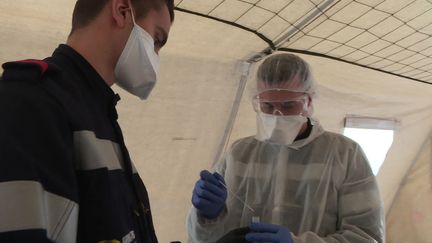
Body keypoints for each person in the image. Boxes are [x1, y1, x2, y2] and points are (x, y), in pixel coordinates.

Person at [0, 0, 174, 242]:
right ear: (122, 11)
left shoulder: (97, 113)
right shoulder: (32, 102)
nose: (155, 57)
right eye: (156, 39)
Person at [187, 53, 385, 243]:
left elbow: (366, 237)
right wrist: (207, 216)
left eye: (289, 105)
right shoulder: (239, 154)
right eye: (267, 106)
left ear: (309, 101)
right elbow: (210, 239)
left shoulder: (344, 154)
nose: (277, 115)